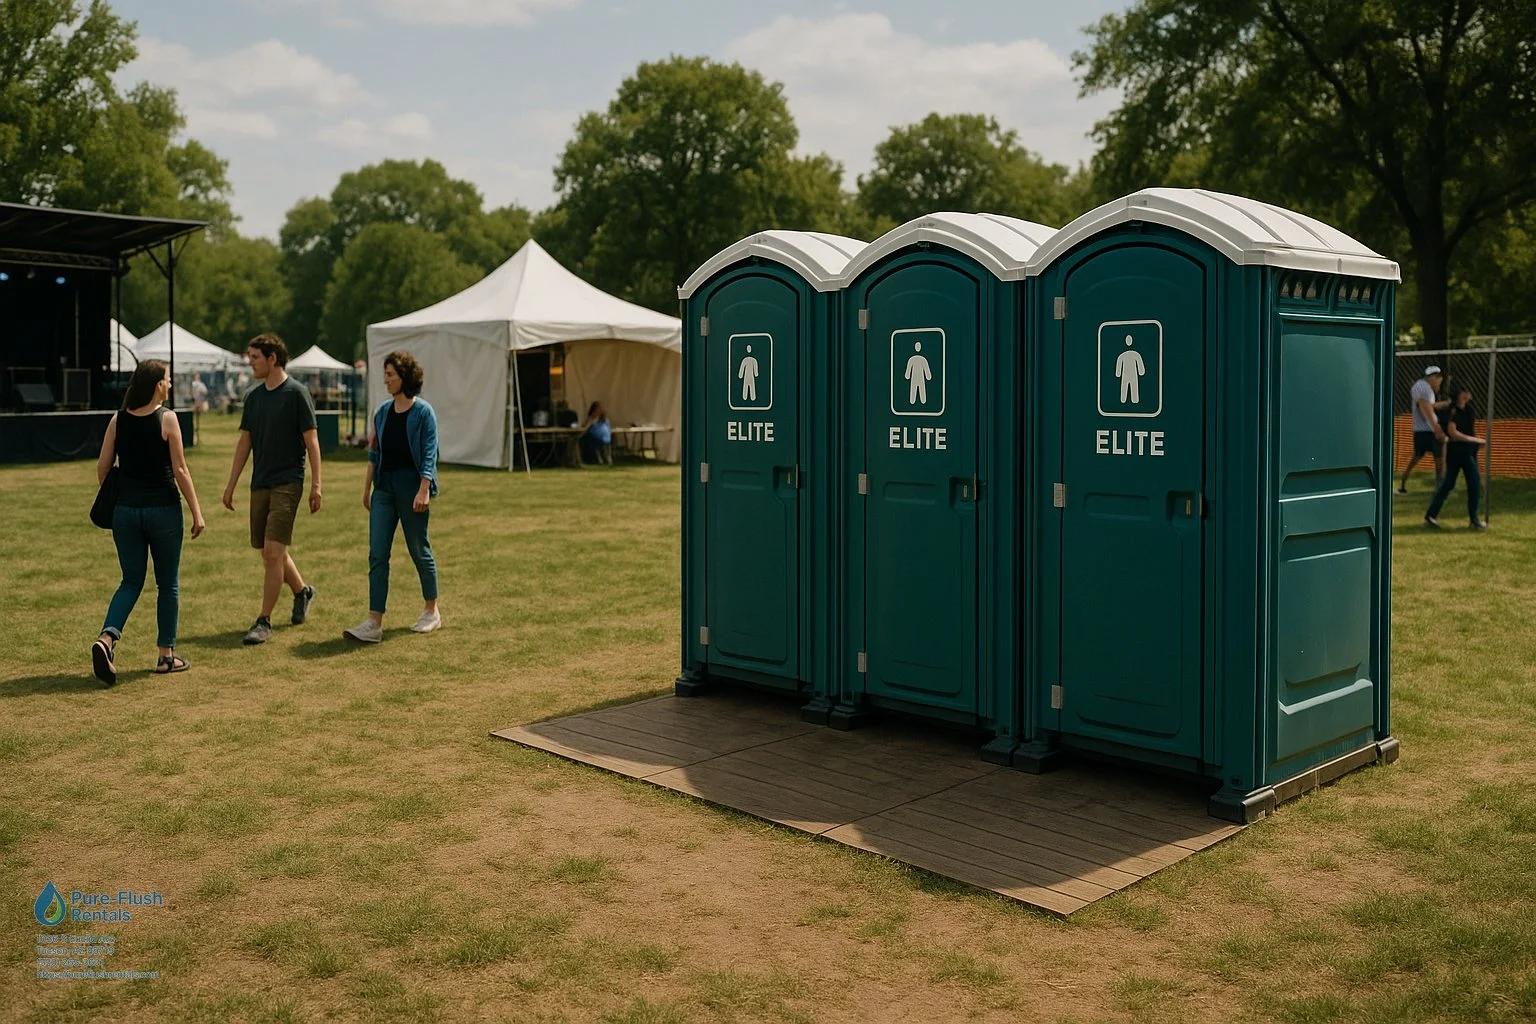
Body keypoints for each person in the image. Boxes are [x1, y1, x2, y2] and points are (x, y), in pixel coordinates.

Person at [91, 360, 207, 685]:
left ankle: (107, 639)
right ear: (158, 384)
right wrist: (197, 512)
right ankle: (166, 657)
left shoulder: (118, 420)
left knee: (130, 581)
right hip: (163, 511)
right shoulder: (167, 419)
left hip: (125, 512)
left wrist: (119, 495)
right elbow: (181, 470)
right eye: (168, 380)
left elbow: (103, 467)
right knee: (167, 583)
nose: (169, 385)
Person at [222, 334, 322, 645]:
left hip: (288, 482)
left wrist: (316, 485)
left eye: (254, 357)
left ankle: (264, 620)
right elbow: (244, 443)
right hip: (260, 482)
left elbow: (312, 442)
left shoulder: (297, 394)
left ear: (272, 359)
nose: (250, 363)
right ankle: (302, 591)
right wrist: (231, 484)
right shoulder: (253, 397)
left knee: (272, 552)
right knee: (270, 551)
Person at [345, 351, 440, 643]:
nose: (385, 380)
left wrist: (424, 489)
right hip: (384, 488)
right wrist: (367, 488)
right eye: (385, 375)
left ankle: (431, 611)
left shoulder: (424, 412)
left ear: (405, 377)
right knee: (377, 553)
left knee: (417, 548)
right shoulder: (383, 412)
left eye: (390, 375)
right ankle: (374, 622)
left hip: (412, 488)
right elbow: (375, 452)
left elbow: (429, 454)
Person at [1424, 382, 1487, 530]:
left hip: (1469, 451)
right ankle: (1473, 520)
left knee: (1457, 484)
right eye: (1465, 391)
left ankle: (1431, 515)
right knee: (1471, 483)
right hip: (1458, 452)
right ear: (1460, 394)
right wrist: (1475, 440)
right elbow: (1453, 433)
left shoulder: (1469, 410)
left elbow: (1469, 429)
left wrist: (1474, 442)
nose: (1469, 394)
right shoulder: (1452, 411)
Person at [1397, 366, 1448, 493]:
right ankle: (1440, 488)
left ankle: (1403, 484)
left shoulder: (1420, 387)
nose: (1439, 381)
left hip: (1420, 430)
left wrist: (1446, 403)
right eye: (1438, 378)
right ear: (1431, 377)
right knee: (1440, 460)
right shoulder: (1424, 389)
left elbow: (1429, 406)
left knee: (1417, 457)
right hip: (1428, 430)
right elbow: (1426, 410)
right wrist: (1438, 430)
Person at [580, 400, 612, 465]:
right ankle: (603, 459)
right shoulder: (605, 420)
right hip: (605, 439)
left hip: (598, 438)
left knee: (584, 439)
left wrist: (590, 420)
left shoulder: (598, 419)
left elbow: (584, 428)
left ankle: (594, 459)